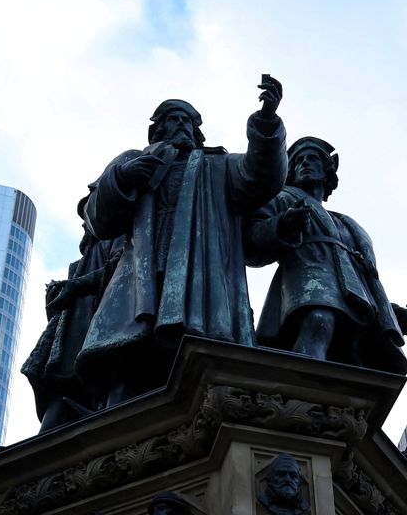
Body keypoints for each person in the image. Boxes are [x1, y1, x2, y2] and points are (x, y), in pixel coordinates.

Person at [76, 76, 288, 405]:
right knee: (127, 360)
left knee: (193, 357)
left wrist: (266, 123)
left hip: (197, 275)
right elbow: (96, 218)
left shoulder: (216, 165)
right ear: (157, 130)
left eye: (187, 121)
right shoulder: (133, 160)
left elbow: (262, 176)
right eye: (173, 120)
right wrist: (124, 177)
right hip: (138, 276)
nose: (181, 126)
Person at [244, 136, 407, 373]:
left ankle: (335, 401)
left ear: (327, 171)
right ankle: (300, 391)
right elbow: (252, 238)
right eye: (298, 161)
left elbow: (362, 274)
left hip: (352, 295)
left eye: (312, 159)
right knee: (319, 320)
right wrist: (282, 224)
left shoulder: (345, 223)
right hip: (305, 280)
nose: (304, 164)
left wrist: (388, 310)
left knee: (351, 347)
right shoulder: (283, 199)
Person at [21, 197, 124, 431]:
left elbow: (122, 270)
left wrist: (77, 286)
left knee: (100, 390)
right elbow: (62, 314)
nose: (84, 224)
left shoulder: (118, 239)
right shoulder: (78, 263)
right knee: (58, 400)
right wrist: (56, 299)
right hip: (70, 347)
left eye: (88, 215)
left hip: (102, 332)